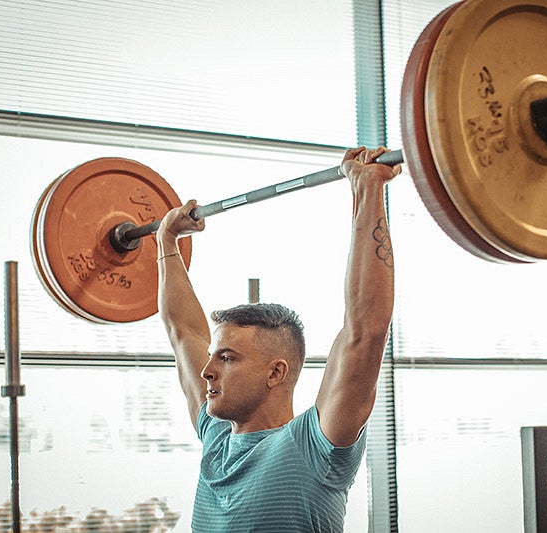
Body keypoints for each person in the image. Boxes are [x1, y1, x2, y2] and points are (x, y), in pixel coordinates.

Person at [156, 146, 401, 532]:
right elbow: (182, 330)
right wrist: (166, 243)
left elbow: (366, 329)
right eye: (213, 356)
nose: (206, 371)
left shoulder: (313, 447)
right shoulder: (216, 439)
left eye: (227, 358)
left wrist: (367, 191)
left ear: (276, 373)